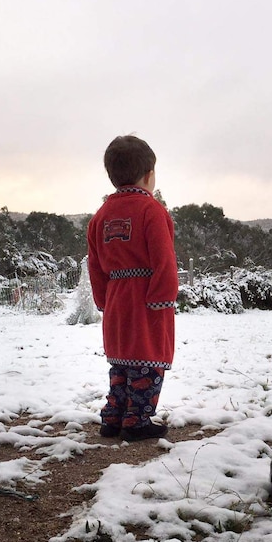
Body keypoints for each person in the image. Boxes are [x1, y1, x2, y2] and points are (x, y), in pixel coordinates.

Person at [87, 135, 179, 442]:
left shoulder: (100, 217)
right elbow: (164, 259)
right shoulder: (151, 211)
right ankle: (137, 420)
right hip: (147, 297)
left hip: (115, 299)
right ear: (149, 175)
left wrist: (103, 301)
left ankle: (113, 417)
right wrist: (163, 298)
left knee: (122, 362)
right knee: (147, 361)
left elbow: (96, 266)